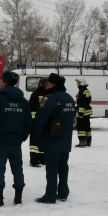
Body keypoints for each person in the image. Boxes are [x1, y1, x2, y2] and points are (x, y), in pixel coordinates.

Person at [0, 70, 32, 207]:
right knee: (17, 168)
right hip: (16, 141)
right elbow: (28, 122)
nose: (0, 83)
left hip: (0, 141)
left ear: (4, 82)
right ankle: (18, 197)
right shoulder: (23, 101)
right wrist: (22, 137)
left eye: (1, 81)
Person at [33, 73, 76, 204]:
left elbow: (41, 118)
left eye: (48, 83)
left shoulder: (49, 98)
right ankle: (63, 192)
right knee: (63, 166)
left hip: (52, 138)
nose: (46, 85)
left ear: (53, 84)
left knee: (51, 168)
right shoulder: (69, 98)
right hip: (66, 138)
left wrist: (36, 133)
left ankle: (50, 195)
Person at [29, 78, 47, 167]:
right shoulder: (36, 93)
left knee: (43, 140)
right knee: (34, 141)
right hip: (36, 121)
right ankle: (34, 159)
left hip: (44, 121)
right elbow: (31, 107)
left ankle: (42, 158)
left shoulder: (48, 94)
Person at [75, 77, 93, 148]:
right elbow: (87, 102)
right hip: (87, 112)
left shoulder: (82, 91)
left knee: (80, 127)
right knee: (87, 127)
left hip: (83, 113)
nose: (77, 83)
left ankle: (82, 142)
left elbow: (82, 103)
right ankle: (88, 142)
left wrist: (80, 113)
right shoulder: (86, 91)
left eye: (78, 82)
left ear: (81, 82)